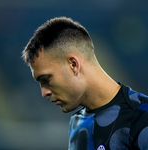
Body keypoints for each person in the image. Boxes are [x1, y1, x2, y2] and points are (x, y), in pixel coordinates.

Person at [22, 17, 148, 150]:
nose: (44, 93)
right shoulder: (77, 123)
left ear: (73, 65)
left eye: (46, 80)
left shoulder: (142, 116)